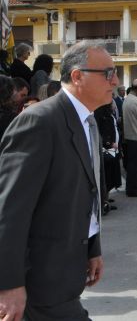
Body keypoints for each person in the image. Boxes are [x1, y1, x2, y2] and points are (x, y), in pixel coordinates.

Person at [0, 40, 115, 320]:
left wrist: (92, 247)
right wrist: (9, 285)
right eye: (108, 73)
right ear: (77, 76)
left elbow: (86, 191)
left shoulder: (88, 121)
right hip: (39, 280)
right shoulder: (40, 121)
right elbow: (10, 210)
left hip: (66, 273)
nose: (116, 80)